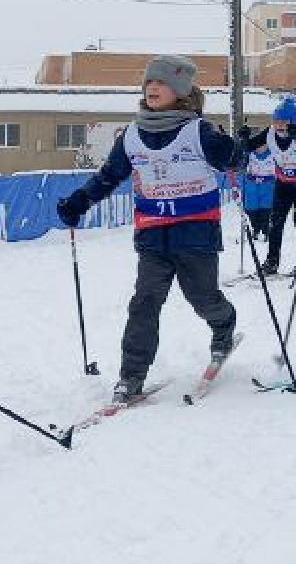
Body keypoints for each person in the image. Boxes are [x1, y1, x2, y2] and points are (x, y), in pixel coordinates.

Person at [56, 56, 241, 403]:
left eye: (162, 83)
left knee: (202, 298)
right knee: (144, 303)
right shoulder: (132, 135)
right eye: (149, 83)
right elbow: (109, 177)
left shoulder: (198, 131)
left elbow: (233, 160)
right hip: (153, 235)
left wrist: (234, 148)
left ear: (182, 92)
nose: (153, 88)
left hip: (196, 233)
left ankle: (224, 325)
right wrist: (79, 202)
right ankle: (131, 376)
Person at [239, 96, 296, 277]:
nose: (279, 125)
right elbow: (250, 146)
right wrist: (244, 138)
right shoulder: (269, 133)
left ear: (293, 121)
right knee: (275, 223)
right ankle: (272, 262)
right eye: (276, 120)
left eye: (284, 121)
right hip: (283, 183)